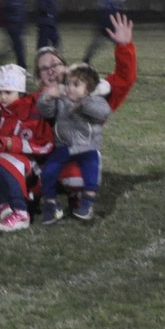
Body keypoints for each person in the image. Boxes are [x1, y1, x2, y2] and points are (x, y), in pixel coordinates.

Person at [32, 13, 136, 206]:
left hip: (76, 156)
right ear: (39, 78)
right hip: (44, 161)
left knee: (76, 177)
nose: (51, 70)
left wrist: (124, 47)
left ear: (66, 67)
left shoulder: (87, 94)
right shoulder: (33, 101)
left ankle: (74, 189)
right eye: (44, 69)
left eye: (55, 64)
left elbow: (123, 81)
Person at [0, 64, 49, 231]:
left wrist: (13, 143)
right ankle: (4, 208)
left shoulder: (34, 112)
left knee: (1, 161)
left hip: (29, 166)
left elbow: (45, 145)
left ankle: (21, 213)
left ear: (20, 92)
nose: (2, 97)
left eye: (8, 92)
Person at [37, 62, 110, 224]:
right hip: (65, 145)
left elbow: (103, 113)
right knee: (49, 170)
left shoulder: (95, 100)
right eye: (68, 83)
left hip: (87, 146)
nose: (70, 88)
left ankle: (87, 203)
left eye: (76, 85)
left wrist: (83, 104)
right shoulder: (62, 100)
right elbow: (45, 111)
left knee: (92, 169)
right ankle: (50, 203)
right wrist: (47, 98)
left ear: (88, 89)